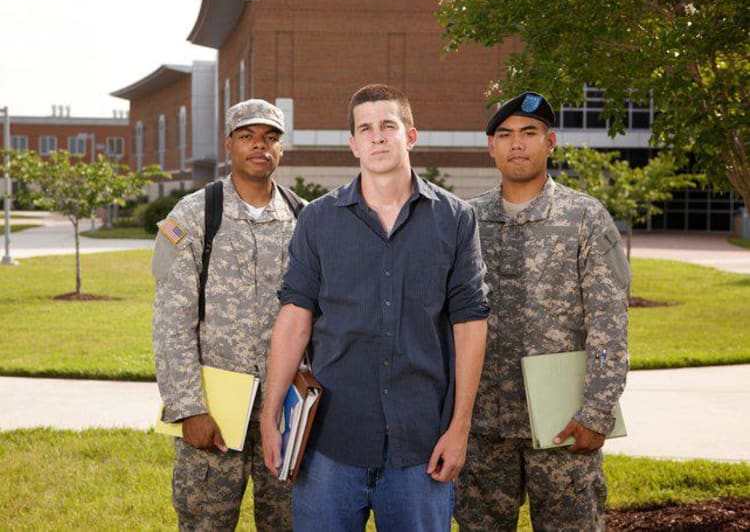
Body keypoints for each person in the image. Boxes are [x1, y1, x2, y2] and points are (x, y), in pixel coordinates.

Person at [260, 83, 489, 531]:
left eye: (389, 125)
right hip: (331, 444)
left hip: (421, 447)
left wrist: (459, 428)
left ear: (411, 135)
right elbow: (294, 321)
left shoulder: (455, 219)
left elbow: (470, 325)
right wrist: (270, 416)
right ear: (353, 144)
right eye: (366, 128)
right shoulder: (318, 220)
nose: (378, 136)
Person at [454, 91, 630, 531]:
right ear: (491, 146)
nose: (517, 144)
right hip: (482, 427)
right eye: (506, 134)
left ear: (550, 142)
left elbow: (609, 326)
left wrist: (597, 412)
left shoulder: (584, 218)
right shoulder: (464, 221)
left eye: (529, 133)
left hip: (562, 425)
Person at [152, 99, 298, 531]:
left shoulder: (304, 217)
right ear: (228, 144)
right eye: (248, 136)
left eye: (271, 137)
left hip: (285, 412)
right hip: (215, 411)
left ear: (281, 149)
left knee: (287, 522)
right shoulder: (194, 215)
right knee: (205, 524)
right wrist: (187, 408)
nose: (260, 146)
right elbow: (171, 322)